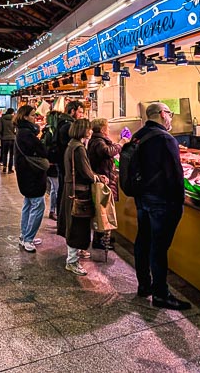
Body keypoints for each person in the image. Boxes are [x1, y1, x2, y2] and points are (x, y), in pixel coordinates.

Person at [132, 102, 191, 310]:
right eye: (169, 113)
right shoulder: (165, 138)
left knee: (143, 242)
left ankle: (144, 285)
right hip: (162, 202)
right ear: (161, 114)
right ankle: (160, 294)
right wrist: (179, 202)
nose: (171, 117)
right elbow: (175, 173)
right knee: (158, 248)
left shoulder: (138, 135)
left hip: (143, 199)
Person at [58, 118, 106, 276]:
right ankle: (72, 261)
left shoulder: (71, 145)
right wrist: (98, 177)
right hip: (78, 193)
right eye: (88, 128)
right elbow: (86, 173)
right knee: (77, 226)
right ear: (83, 130)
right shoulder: (79, 148)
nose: (91, 131)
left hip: (70, 190)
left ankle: (74, 255)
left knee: (73, 224)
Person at [87, 118, 127, 250]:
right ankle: (101, 240)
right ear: (103, 129)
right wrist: (121, 143)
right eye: (107, 127)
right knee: (103, 210)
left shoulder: (96, 140)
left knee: (103, 210)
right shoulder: (99, 142)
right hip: (104, 180)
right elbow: (108, 152)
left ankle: (104, 238)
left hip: (104, 179)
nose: (109, 129)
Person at [12, 105, 46, 252]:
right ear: (25, 117)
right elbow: (42, 150)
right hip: (31, 174)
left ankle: (24, 235)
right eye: (32, 115)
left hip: (25, 173)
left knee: (28, 204)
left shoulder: (21, 131)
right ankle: (28, 239)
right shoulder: (26, 133)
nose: (35, 118)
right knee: (38, 205)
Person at [54, 101, 85, 222]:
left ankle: (61, 218)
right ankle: (63, 219)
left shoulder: (61, 121)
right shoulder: (68, 125)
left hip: (61, 161)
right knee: (64, 190)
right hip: (66, 163)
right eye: (80, 112)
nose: (82, 115)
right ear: (72, 111)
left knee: (62, 189)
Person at [42, 111, 63, 220]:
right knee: (56, 188)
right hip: (52, 164)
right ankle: (53, 211)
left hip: (51, 164)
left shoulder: (48, 130)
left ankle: (53, 210)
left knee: (55, 188)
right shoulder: (51, 131)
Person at [0, 107, 16, 173]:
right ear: (12, 112)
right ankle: (10, 169)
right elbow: (16, 129)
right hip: (12, 138)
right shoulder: (14, 119)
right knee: (11, 154)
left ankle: (4, 167)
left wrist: (1, 136)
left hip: (4, 139)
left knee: (4, 153)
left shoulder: (2, 119)